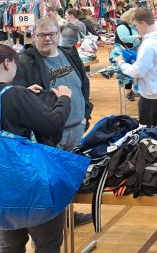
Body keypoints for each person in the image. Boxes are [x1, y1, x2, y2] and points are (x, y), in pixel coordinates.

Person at [13, 17, 93, 226]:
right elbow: (17, 95)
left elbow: (83, 84)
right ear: (34, 37)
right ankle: (55, 223)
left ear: (59, 34)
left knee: (66, 177)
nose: (47, 38)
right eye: (42, 35)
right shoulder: (26, 62)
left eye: (51, 34)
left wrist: (86, 113)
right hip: (49, 133)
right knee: (51, 179)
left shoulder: (70, 54)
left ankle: (68, 216)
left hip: (76, 127)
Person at [0, 44, 72, 253]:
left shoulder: (15, 95)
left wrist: (23, 95)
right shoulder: (14, 95)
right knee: (46, 244)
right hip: (30, 182)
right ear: (7, 63)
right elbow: (52, 124)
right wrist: (64, 99)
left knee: (9, 245)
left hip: (4, 187)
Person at [114, 8, 157, 127]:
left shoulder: (148, 45)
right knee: (153, 122)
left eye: (136, 25)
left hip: (153, 92)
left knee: (146, 127)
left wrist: (121, 63)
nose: (136, 29)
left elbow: (137, 72)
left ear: (143, 23)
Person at [115, 8, 140, 101]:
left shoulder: (132, 26)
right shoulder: (122, 26)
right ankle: (128, 92)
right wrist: (138, 36)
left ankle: (133, 90)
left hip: (133, 50)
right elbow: (124, 38)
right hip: (125, 51)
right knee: (128, 72)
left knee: (134, 71)